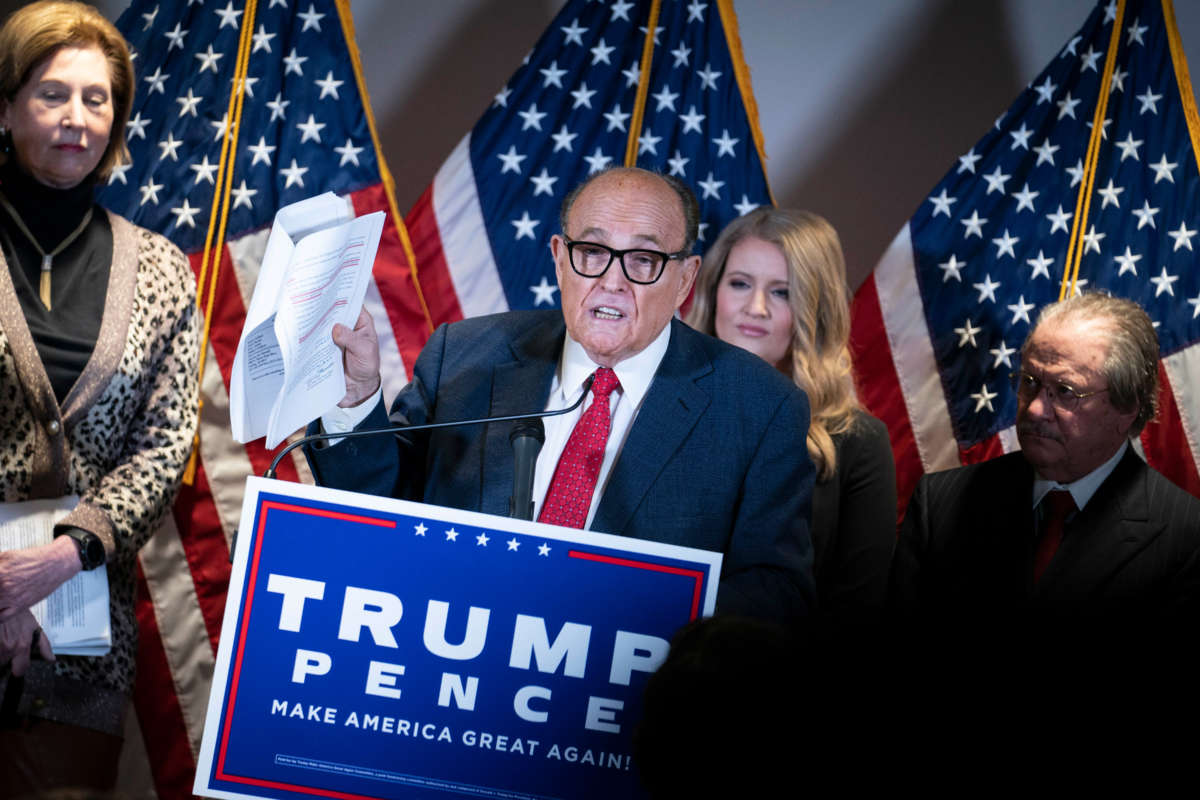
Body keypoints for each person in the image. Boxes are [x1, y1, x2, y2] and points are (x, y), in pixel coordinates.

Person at [306, 167, 815, 621]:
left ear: (685, 279)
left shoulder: (757, 408)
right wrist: (355, 398)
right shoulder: (464, 355)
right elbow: (372, 515)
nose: (611, 281)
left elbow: (774, 592)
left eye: (643, 259)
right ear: (559, 258)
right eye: (591, 253)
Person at [0, 2, 199, 793]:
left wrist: (50, 563)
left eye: (97, 97)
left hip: (81, 642)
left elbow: (166, 447)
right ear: (5, 106)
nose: (77, 118)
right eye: (52, 94)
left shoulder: (160, 270)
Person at [891, 293, 1200, 625]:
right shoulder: (939, 505)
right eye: (1029, 382)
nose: (1036, 409)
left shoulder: (1185, 536)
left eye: (1066, 392)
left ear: (1126, 408)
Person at [686, 208, 895, 622]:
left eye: (781, 292)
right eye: (740, 284)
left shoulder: (859, 442)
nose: (756, 307)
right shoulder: (652, 405)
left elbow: (855, 616)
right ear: (712, 293)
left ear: (816, 310)